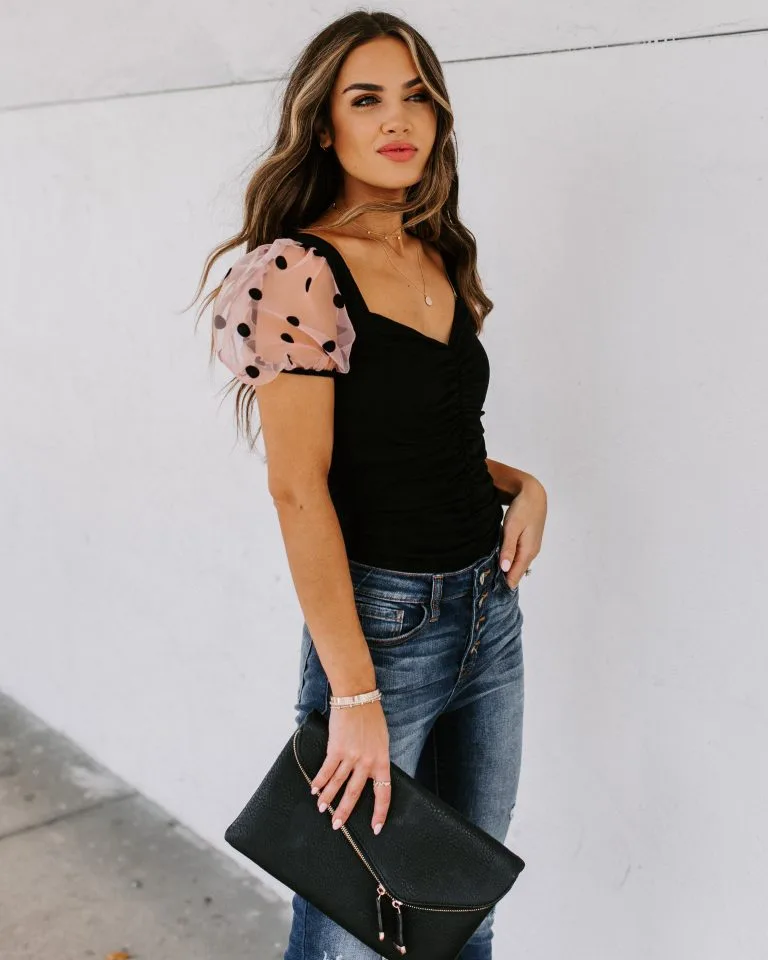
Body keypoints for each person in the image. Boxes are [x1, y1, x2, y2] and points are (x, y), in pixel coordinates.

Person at [196, 10, 547, 959]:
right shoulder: (295, 271)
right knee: (356, 930)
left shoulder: (436, 252)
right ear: (323, 126)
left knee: (458, 909)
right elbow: (299, 489)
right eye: (366, 99)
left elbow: (420, 439)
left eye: (416, 97)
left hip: (490, 613)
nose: (398, 119)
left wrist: (524, 485)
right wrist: (354, 695)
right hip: (381, 632)